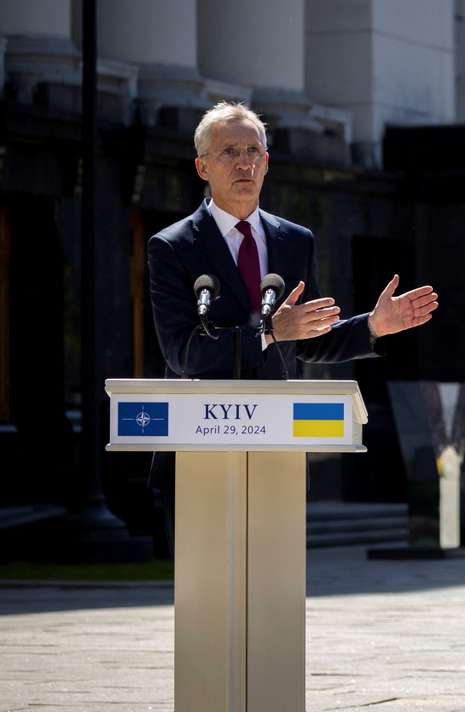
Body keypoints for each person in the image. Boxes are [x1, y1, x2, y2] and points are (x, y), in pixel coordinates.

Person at [147, 101, 439, 554]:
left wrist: (373, 327)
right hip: (197, 450)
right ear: (202, 166)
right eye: (229, 152)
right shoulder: (172, 246)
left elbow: (308, 339)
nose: (244, 162)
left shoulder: (294, 240)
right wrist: (268, 333)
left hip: (276, 447)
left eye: (253, 151)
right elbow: (181, 352)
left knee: (271, 597)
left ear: (266, 163)